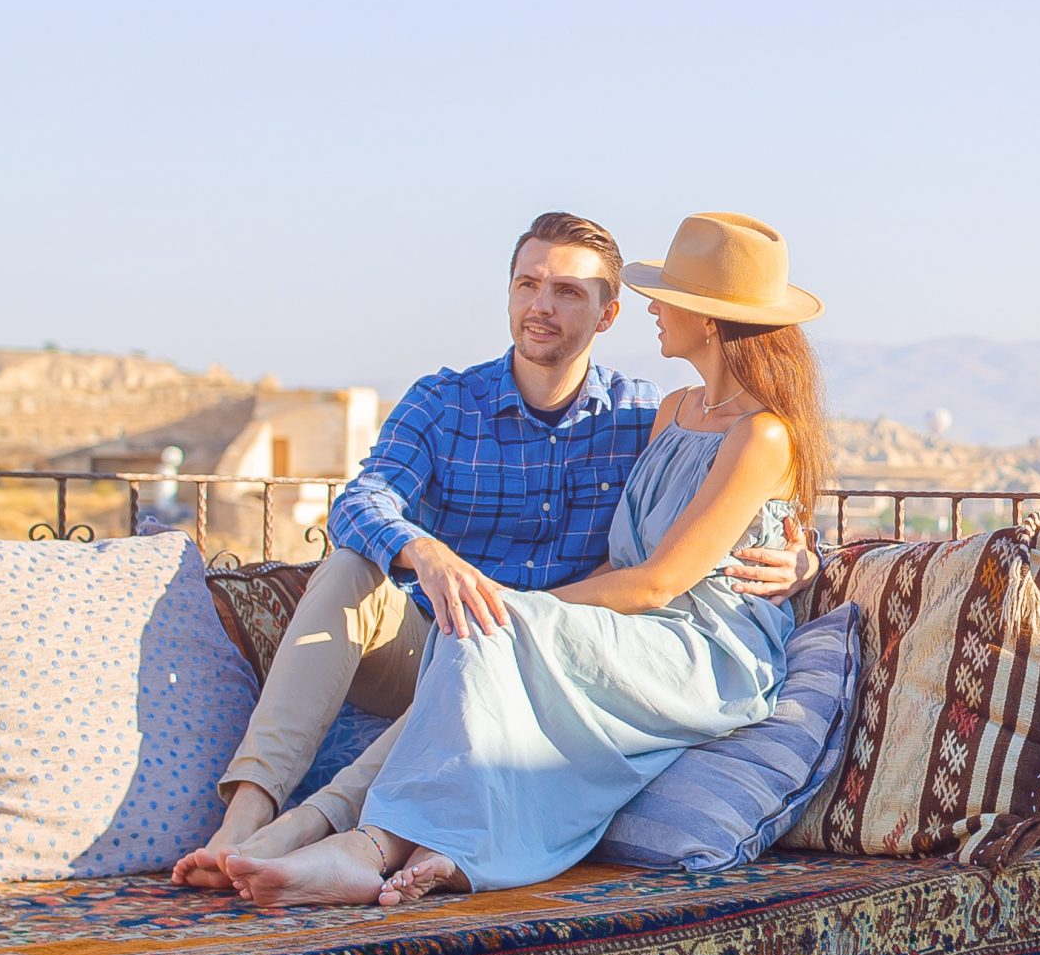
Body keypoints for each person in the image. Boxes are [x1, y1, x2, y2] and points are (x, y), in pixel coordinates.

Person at [174, 210, 813, 887]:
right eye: (527, 283)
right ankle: (245, 820)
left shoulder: (639, 417)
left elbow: (736, 519)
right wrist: (428, 554)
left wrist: (808, 562)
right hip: (437, 640)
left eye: (567, 291)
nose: (541, 305)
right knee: (349, 570)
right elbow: (360, 503)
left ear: (607, 315)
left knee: (486, 627)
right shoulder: (447, 402)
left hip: (538, 657)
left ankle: (315, 832)